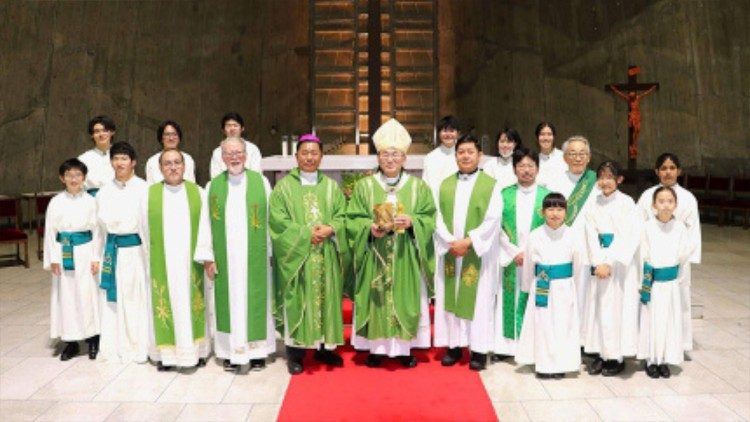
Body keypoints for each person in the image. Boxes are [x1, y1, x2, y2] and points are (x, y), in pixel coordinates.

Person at [346, 118, 435, 368]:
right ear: (378, 158)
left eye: (395, 154)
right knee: (377, 299)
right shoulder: (364, 187)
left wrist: (413, 222)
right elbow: (352, 219)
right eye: (385, 154)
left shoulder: (418, 187)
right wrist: (368, 228)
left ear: (405, 158)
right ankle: (376, 348)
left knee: (405, 298)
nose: (390, 159)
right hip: (376, 255)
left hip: (406, 255)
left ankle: (405, 349)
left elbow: (430, 217)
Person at [269, 134, 348, 375]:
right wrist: (305, 235)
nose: (310, 157)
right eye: (305, 153)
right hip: (298, 260)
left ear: (322, 156)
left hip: (326, 256)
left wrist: (331, 228)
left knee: (326, 300)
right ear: (296, 156)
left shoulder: (331, 187)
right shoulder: (283, 188)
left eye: (314, 153)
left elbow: (343, 215)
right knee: (298, 301)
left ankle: (325, 349)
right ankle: (296, 353)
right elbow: (277, 222)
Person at [195, 137, 275, 371]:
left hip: (255, 257)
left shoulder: (260, 182)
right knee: (226, 304)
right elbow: (205, 223)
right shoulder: (213, 186)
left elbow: (270, 219)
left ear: (246, 155)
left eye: (238, 152)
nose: (234, 157)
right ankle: (230, 352)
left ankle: (257, 351)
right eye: (229, 153)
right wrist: (207, 256)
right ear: (222, 157)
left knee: (256, 300)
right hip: (225, 257)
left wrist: (270, 252)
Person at [433, 134, 501, 371]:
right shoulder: (445, 184)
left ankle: (479, 350)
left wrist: (470, 241)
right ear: (455, 156)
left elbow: (494, 218)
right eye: (461, 152)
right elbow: (437, 216)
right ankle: (454, 346)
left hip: (476, 254)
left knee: (479, 300)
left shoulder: (490, 185)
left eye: (470, 151)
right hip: (452, 251)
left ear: (479, 155)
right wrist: (451, 242)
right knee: (450, 297)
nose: (465, 156)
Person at [139, 149, 209, 371]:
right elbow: (143, 230)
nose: (172, 167)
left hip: (191, 260)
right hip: (163, 261)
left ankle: (196, 352)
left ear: (184, 165)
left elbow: (207, 228)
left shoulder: (198, 192)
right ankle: (166, 355)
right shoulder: (149, 196)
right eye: (167, 163)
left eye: (177, 162)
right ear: (160, 169)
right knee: (164, 302)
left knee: (192, 303)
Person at [636, 153, 700, 353]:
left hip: (676, 262)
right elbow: (638, 227)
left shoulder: (688, 198)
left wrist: (684, 258)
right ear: (657, 171)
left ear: (679, 171)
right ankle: (649, 348)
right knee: (651, 305)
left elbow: (692, 232)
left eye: (672, 167)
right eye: (663, 168)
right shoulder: (647, 196)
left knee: (677, 302)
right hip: (652, 261)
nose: (668, 172)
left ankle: (677, 345)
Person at [581, 161, 641, 376]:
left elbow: (629, 235)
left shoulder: (627, 203)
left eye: (610, 177)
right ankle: (599, 353)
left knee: (617, 309)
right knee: (597, 308)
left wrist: (609, 261)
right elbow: (589, 234)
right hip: (599, 265)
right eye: (602, 176)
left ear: (619, 179)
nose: (605, 181)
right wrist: (598, 262)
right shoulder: (591, 203)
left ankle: (616, 356)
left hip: (618, 267)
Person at [515, 193, 582, 379]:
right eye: (551, 209)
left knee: (562, 326)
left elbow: (577, 264)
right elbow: (529, 265)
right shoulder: (535, 235)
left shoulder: (572, 235)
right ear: (543, 212)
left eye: (560, 209)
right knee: (543, 325)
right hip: (542, 286)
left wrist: (571, 285)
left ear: (566, 212)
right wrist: (528, 288)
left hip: (564, 287)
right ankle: (544, 365)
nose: (555, 213)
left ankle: (561, 364)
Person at [493, 147, 550, 360]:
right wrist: (514, 252)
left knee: (532, 298)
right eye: (522, 166)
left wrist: (530, 254)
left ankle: (531, 346)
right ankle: (506, 347)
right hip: (510, 258)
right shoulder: (503, 194)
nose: (526, 170)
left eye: (530, 166)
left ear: (537, 168)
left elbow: (550, 229)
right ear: (514, 168)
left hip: (535, 260)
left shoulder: (546, 196)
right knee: (508, 297)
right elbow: (495, 227)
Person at [96, 141, 150, 363]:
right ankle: (114, 346)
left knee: (137, 298)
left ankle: (139, 346)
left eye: (124, 158)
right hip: (112, 252)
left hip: (136, 251)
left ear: (134, 162)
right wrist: (96, 257)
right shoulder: (103, 192)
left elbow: (148, 226)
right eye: (116, 159)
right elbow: (98, 229)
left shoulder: (144, 188)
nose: (119, 163)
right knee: (113, 301)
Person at [44, 158, 102, 361]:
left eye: (78, 175)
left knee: (88, 294)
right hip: (63, 251)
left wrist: (96, 257)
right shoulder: (56, 202)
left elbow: (97, 231)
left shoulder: (91, 201)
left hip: (86, 251)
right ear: (62, 178)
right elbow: (50, 231)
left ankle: (93, 338)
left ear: (84, 177)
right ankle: (71, 341)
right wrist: (53, 258)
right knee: (67, 295)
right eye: (69, 175)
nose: (74, 179)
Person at [544, 136, 599, 339]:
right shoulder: (554, 181)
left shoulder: (596, 182)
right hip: (560, 248)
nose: (578, 158)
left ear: (589, 157)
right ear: (565, 157)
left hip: (587, 248)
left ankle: (583, 340)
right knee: (562, 296)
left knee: (586, 296)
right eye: (573, 153)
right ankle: (561, 336)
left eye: (582, 154)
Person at [637, 186, 692, 378]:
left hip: (670, 284)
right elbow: (642, 254)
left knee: (669, 321)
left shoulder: (680, 228)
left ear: (676, 205)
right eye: (661, 201)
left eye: (670, 201)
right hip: (653, 283)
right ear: (653, 205)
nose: (666, 205)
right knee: (652, 321)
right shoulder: (647, 227)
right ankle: (651, 360)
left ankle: (665, 359)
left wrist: (677, 279)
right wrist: (645, 279)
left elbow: (684, 255)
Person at [209, 112, 262, 178]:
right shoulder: (217, 152)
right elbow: (215, 177)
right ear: (223, 130)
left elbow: (256, 174)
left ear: (242, 128)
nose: (232, 129)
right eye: (228, 126)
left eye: (235, 125)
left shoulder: (253, 149)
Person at [78, 115, 116, 196]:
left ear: (112, 132)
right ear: (92, 135)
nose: (101, 134)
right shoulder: (83, 159)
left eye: (105, 130)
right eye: (97, 131)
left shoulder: (123, 157)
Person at [422, 115, 460, 192]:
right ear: (439, 133)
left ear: (458, 133)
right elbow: (427, 185)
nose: (448, 134)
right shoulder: (430, 158)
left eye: (452, 131)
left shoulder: (463, 156)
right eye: (445, 131)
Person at [534, 122, 566, 187]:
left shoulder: (564, 157)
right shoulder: (533, 160)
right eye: (542, 134)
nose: (546, 138)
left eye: (549, 134)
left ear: (554, 137)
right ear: (537, 138)